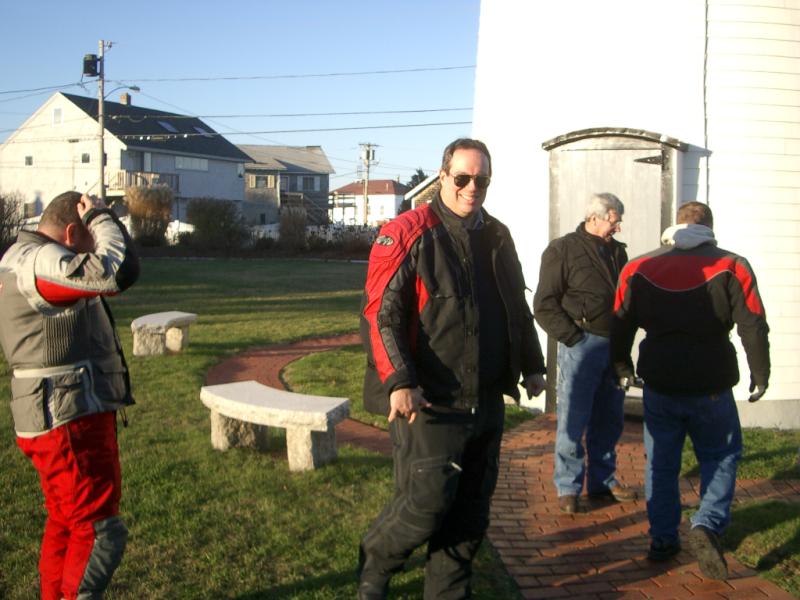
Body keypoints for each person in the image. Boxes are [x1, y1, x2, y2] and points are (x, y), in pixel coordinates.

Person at [358, 138, 546, 599]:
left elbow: (515, 306)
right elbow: (380, 314)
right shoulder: (408, 232)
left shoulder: (498, 235)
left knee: (470, 515)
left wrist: (531, 364)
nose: (471, 187)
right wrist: (400, 381)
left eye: (482, 179)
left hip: (486, 398)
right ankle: (374, 569)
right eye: (462, 178)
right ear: (442, 177)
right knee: (424, 507)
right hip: (430, 402)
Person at [610, 201, 770, 579]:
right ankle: (707, 522)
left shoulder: (638, 267)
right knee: (721, 456)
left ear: (675, 225)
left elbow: (620, 321)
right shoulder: (733, 265)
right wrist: (760, 373)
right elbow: (753, 323)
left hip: (660, 381)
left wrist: (621, 366)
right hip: (711, 381)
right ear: (710, 228)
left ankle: (663, 539)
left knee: (661, 464)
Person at [0, 191, 140, 600]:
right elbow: (115, 272)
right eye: (89, 240)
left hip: (55, 414)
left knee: (66, 523)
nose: (92, 252)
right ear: (71, 233)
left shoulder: (22, 258)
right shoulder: (41, 261)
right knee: (98, 530)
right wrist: (101, 217)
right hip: (68, 418)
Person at [532, 193, 636, 514]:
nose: (618, 228)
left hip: (614, 346)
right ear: (594, 217)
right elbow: (544, 304)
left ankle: (602, 481)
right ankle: (568, 487)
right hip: (582, 346)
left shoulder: (618, 252)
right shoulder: (562, 250)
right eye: (614, 221)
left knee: (609, 418)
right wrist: (574, 338)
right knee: (573, 419)